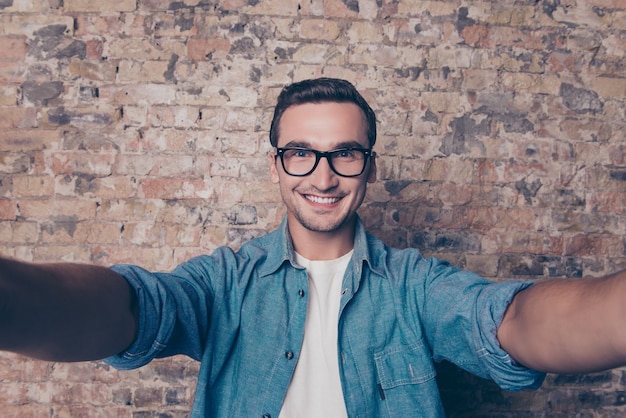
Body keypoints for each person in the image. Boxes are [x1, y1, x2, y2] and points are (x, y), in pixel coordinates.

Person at [1, 77, 625, 417]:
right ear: (276, 166)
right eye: (301, 153)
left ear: (368, 168)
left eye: (344, 154)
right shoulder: (225, 283)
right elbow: (129, 310)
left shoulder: (414, 286)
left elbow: (514, 321)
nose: (322, 178)